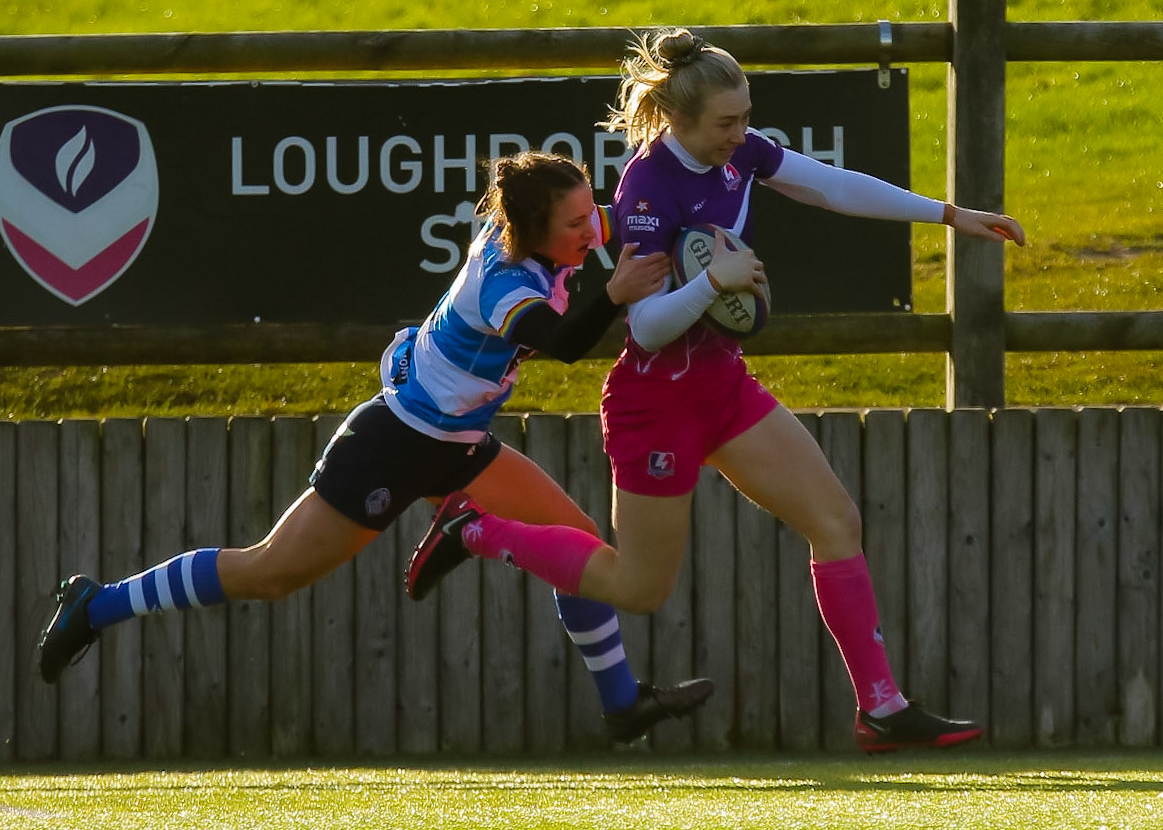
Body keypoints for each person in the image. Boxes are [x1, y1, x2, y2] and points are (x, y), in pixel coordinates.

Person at [405, 29, 1026, 752]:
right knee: (639, 588)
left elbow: (826, 183)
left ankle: (880, 707)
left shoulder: (738, 155)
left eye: (744, 117)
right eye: (726, 123)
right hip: (654, 402)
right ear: (680, 120)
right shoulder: (645, 188)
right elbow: (648, 326)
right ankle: (473, 530)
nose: (741, 133)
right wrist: (712, 282)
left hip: (722, 386)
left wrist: (950, 215)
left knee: (836, 521)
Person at [37, 151, 714, 745]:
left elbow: (626, 216)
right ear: (531, 229)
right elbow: (565, 346)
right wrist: (617, 293)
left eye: (584, 216)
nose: (587, 229)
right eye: (573, 224)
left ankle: (621, 704)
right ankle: (96, 605)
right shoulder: (506, 280)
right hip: (392, 443)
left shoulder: (543, 234)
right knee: (270, 572)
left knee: (576, 537)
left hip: (456, 442)